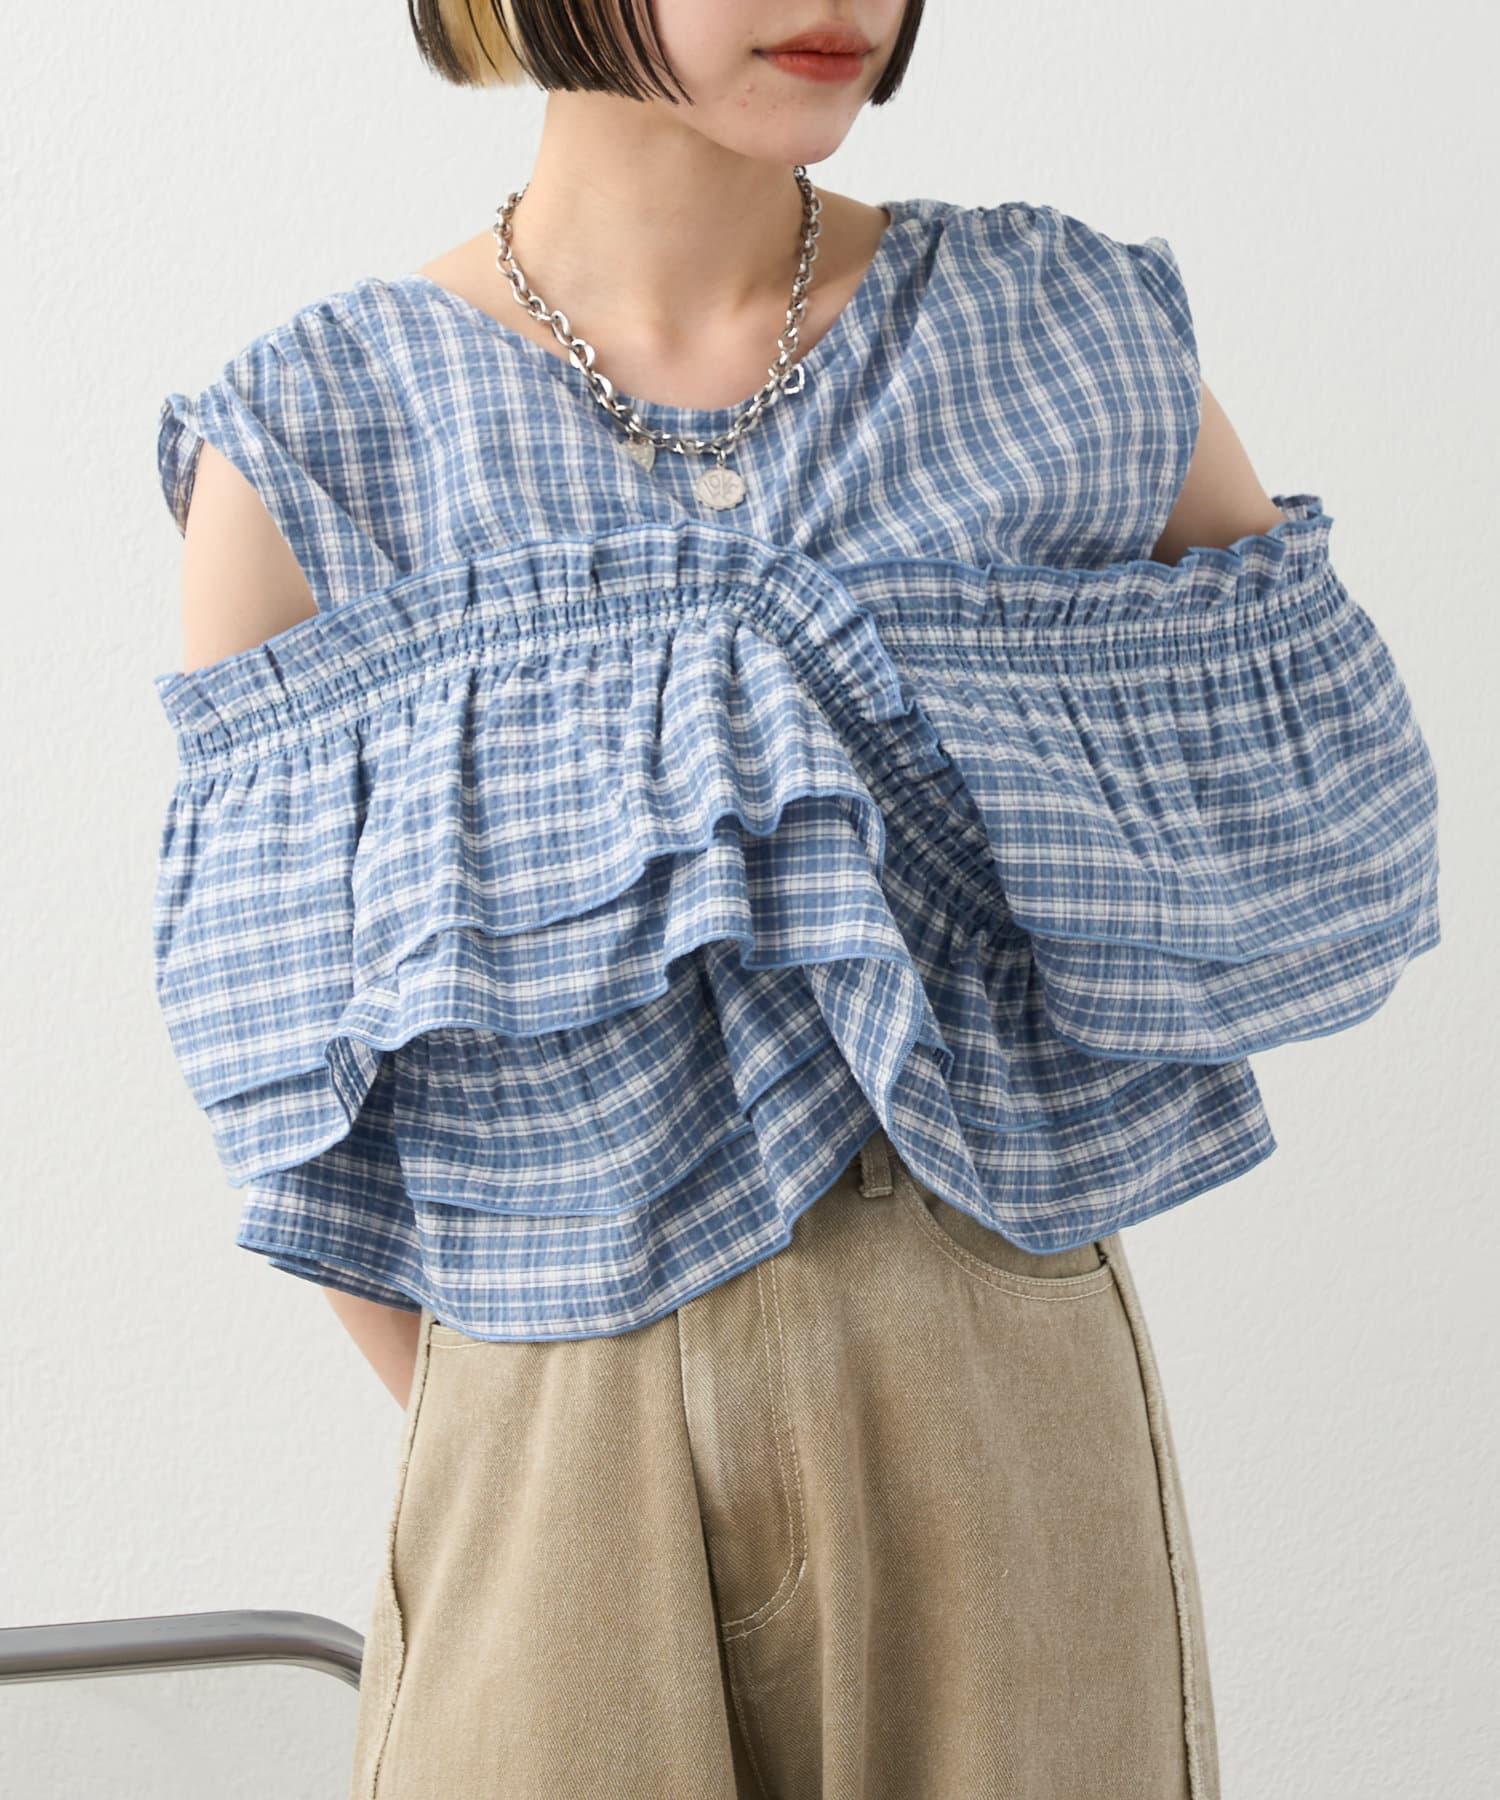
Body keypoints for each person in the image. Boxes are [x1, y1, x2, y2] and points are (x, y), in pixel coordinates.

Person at [148, 4, 1441, 1796]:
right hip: (545, 1414)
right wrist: (540, 1405)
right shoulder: (321, 439)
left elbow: (1307, 789)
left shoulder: (1057, 343)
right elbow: (283, 1076)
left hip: (989, 1373)